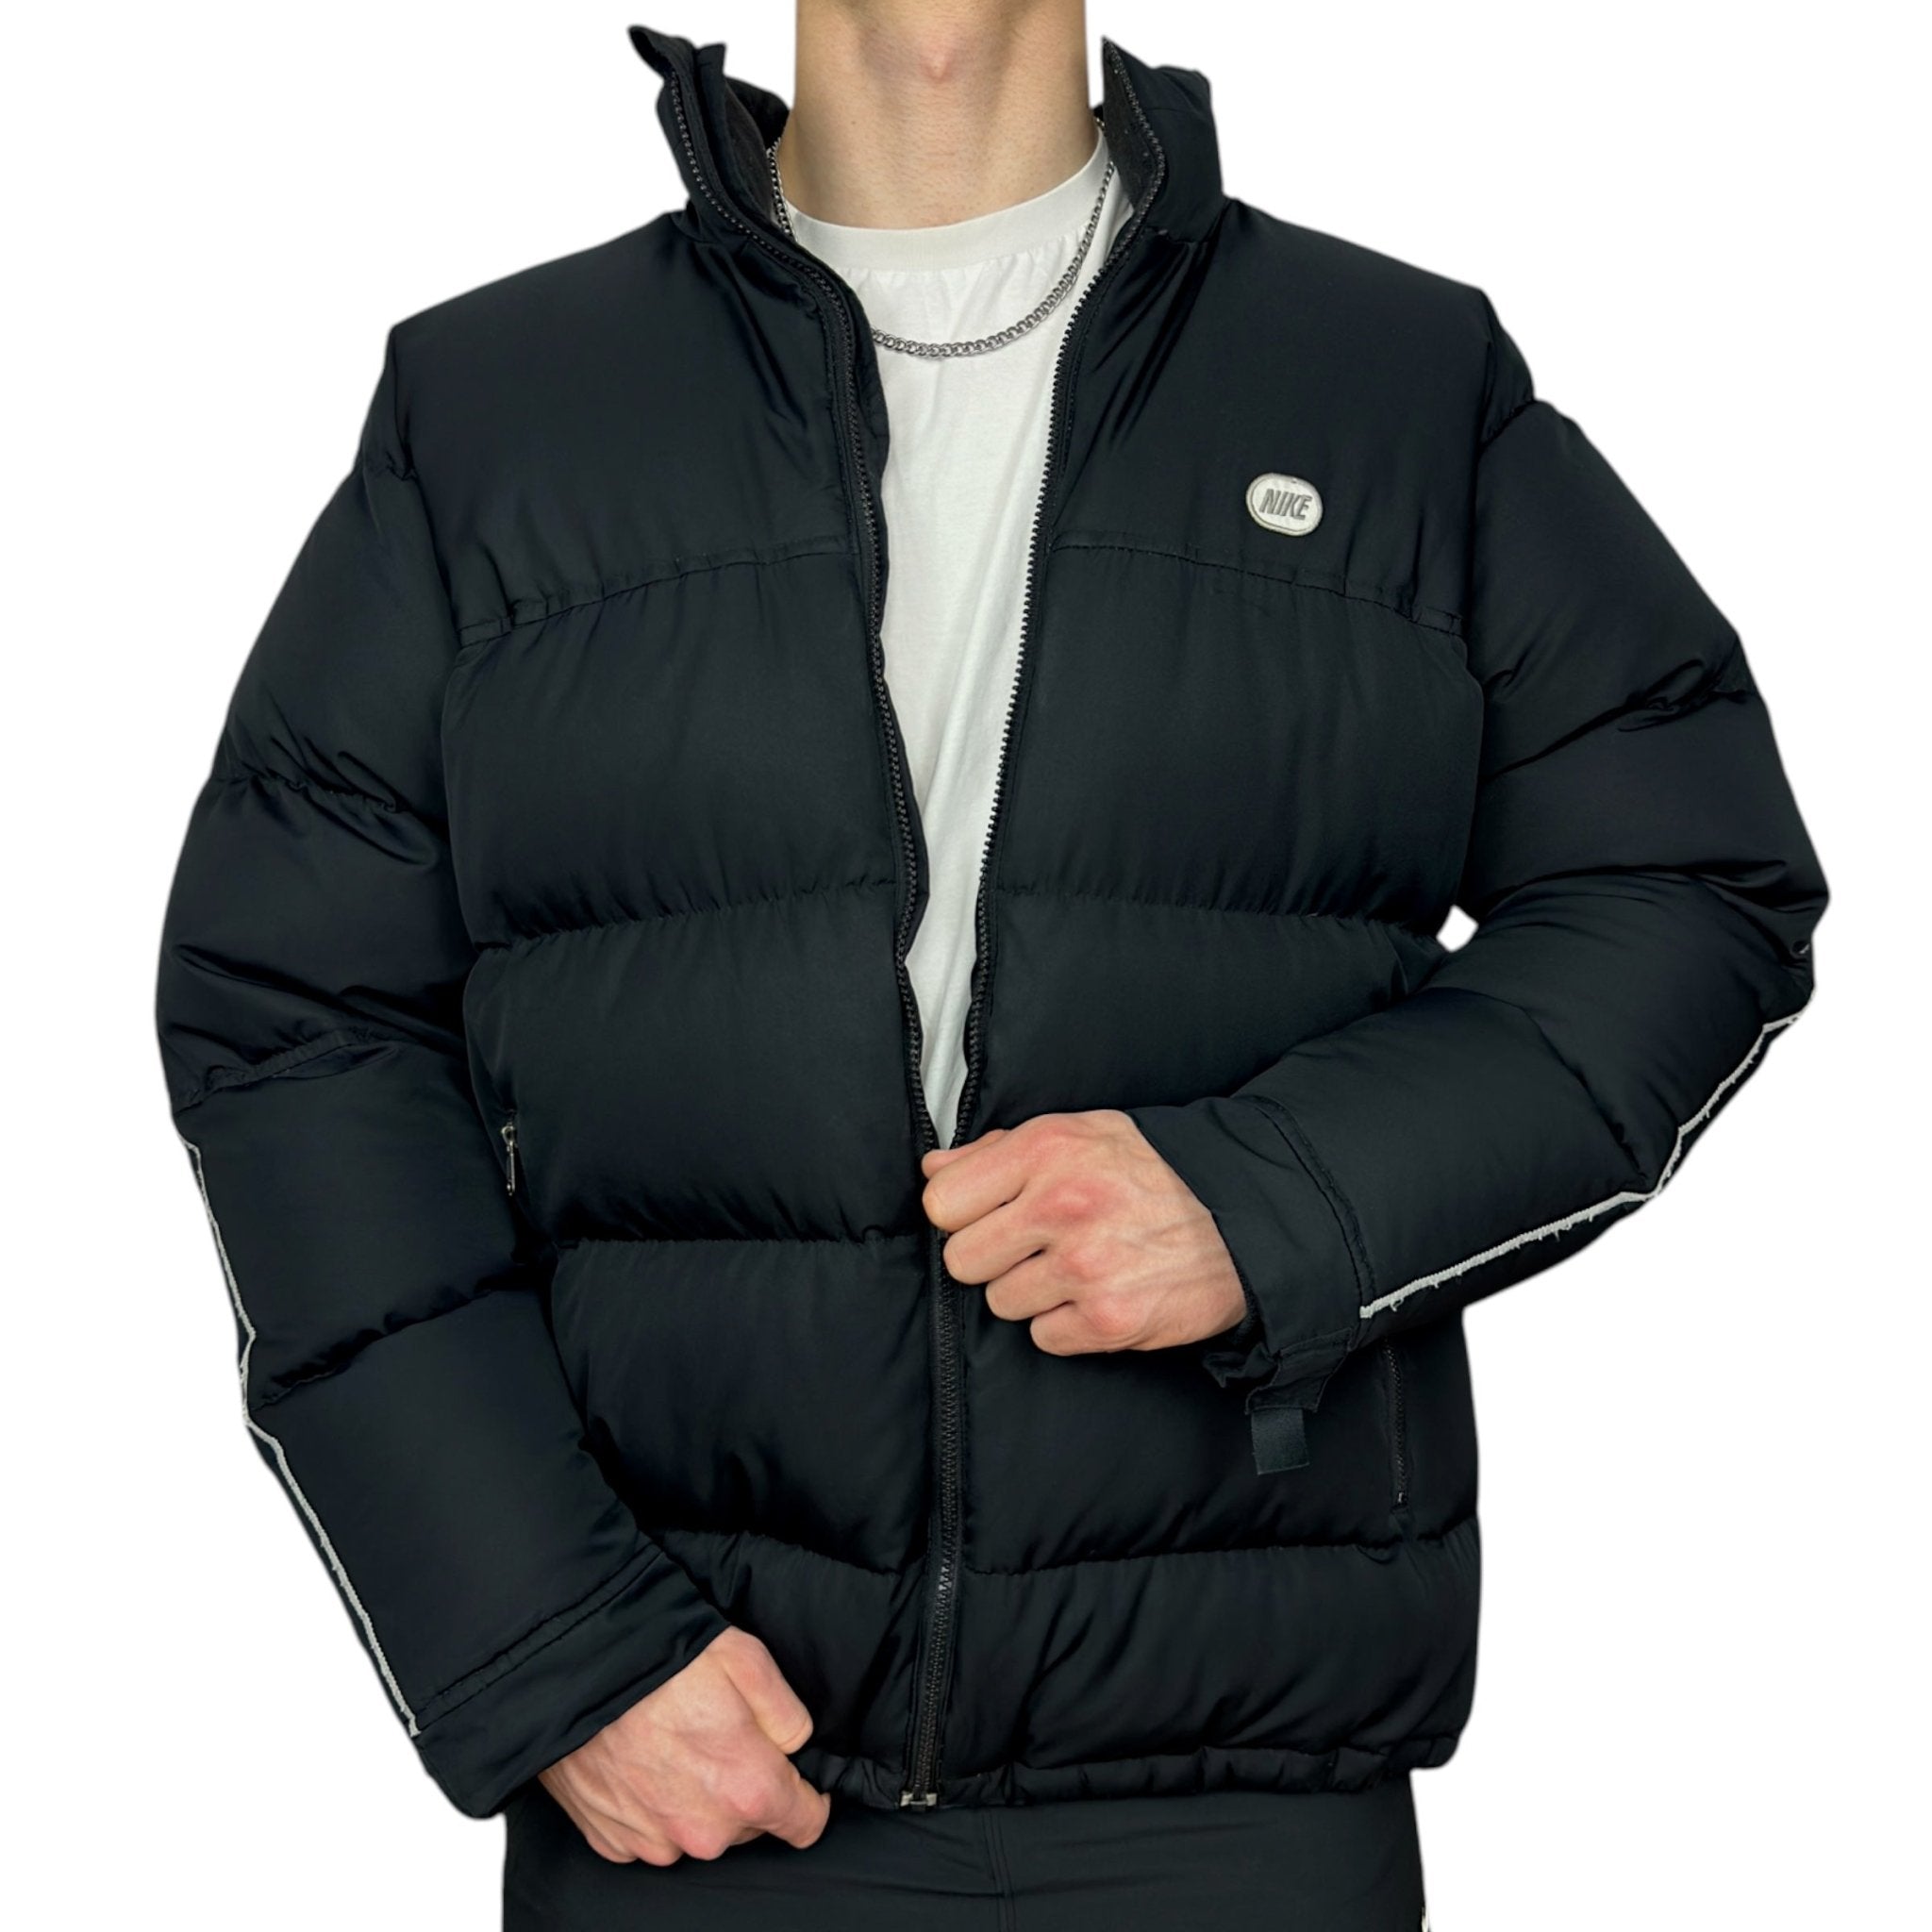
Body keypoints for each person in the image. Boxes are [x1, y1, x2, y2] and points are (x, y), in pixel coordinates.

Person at [155, 4, 1827, 1926]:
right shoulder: (501, 406)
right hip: (705, 1765)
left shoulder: (1389, 380)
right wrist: (545, 1639)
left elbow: (1686, 881)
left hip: (1231, 1781)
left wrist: (1270, 1201)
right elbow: (299, 1022)